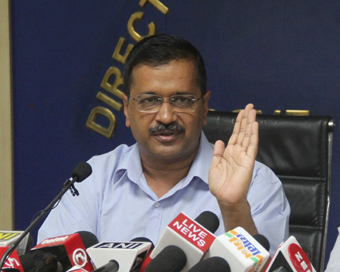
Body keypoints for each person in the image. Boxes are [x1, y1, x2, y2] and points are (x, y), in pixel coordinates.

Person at [38, 34, 290, 255]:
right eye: (149, 101)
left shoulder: (256, 184)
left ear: (204, 107)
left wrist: (233, 207)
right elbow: (52, 261)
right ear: (126, 108)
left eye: (182, 100)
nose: (166, 116)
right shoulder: (92, 180)